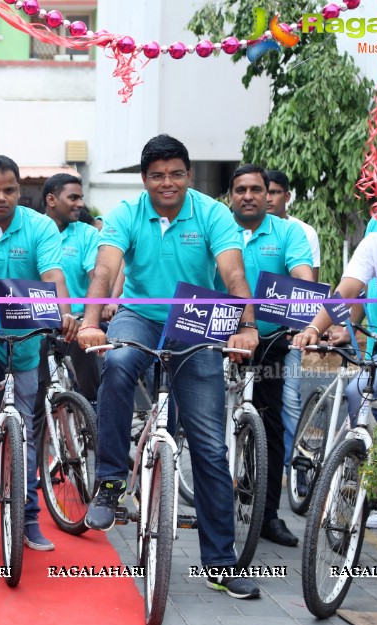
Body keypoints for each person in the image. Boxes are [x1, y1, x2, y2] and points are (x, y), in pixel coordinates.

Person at [78, 134, 261, 598]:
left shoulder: (213, 213)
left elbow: (233, 272)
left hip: (195, 316)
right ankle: (112, 483)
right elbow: (104, 270)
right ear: (144, 180)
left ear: (188, 175)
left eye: (176, 173)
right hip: (140, 315)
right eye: (157, 175)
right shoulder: (126, 213)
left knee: (208, 447)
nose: (168, 182)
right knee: (117, 363)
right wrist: (91, 321)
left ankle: (220, 563)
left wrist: (247, 325)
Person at [0, 154, 78, 554]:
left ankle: (29, 517)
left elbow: (52, 274)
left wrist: (64, 312)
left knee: (24, 423)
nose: (0, 197)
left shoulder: (39, 226)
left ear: (20, 192)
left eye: (8, 190)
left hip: (23, 332)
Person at [217, 164, 314, 547]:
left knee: (271, 428)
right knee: (208, 425)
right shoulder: (217, 227)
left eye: (257, 189)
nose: (249, 195)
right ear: (231, 195)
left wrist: (306, 314)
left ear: (269, 193)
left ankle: (269, 514)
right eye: (240, 189)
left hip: (271, 340)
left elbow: (303, 277)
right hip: (218, 336)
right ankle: (213, 507)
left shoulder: (290, 232)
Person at [294, 173, 377, 427]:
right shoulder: (374, 244)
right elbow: (345, 293)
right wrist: (315, 328)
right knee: (356, 391)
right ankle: (365, 459)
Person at [33, 173, 102, 471]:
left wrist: (91, 318)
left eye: (80, 197)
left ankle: (99, 460)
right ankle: (30, 472)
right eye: (73, 197)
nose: (80, 203)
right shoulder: (33, 230)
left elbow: (94, 276)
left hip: (77, 324)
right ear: (51, 199)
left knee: (93, 393)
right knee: (37, 400)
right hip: (37, 324)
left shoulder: (86, 235)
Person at [265, 169, 320, 466]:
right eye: (266, 191)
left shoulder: (302, 232)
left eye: (275, 192)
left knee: (289, 399)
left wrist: (304, 327)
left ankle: (291, 465)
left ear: (286, 196)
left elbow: (309, 284)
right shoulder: (241, 228)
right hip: (247, 330)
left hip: (287, 331)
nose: (268, 198)